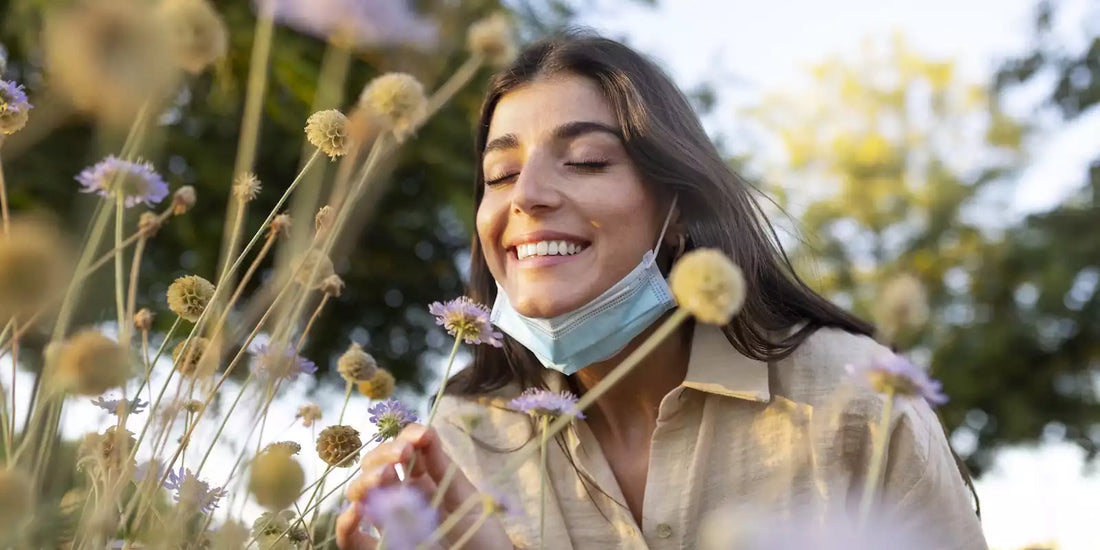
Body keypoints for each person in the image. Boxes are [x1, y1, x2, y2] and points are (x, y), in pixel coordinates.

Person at [336, 32, 987, 549]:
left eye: (587, 160)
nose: (527, 195)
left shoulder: (857, 397)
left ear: (675, 211)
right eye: (500, 173)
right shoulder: (463, 441)